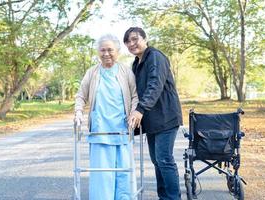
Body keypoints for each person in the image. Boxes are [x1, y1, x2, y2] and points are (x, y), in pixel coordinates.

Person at [74, 34, 138, 200]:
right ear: (98, 52)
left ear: (117, 51)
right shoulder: (92, 72)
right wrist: (78, 112)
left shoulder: (126, 71)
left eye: (110, 50)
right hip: (100, 129)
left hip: (122, 128)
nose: (106, 53)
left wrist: (133, 113)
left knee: (123, 173)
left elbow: (135, 95)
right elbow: (81, 95)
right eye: (102, 50)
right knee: (102, 174)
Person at [123, 27, 183, 200]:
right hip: (152, 120)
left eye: (135, 39)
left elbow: (155, 85)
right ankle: (163, 196)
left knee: (164, 159)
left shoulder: (155, 56)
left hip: (166, 116)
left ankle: (173, 198)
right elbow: (134, 91)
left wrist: (140, 109)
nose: (131, 43)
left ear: (145, 39)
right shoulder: (136, 63)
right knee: (157, 161)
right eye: (128, 41)